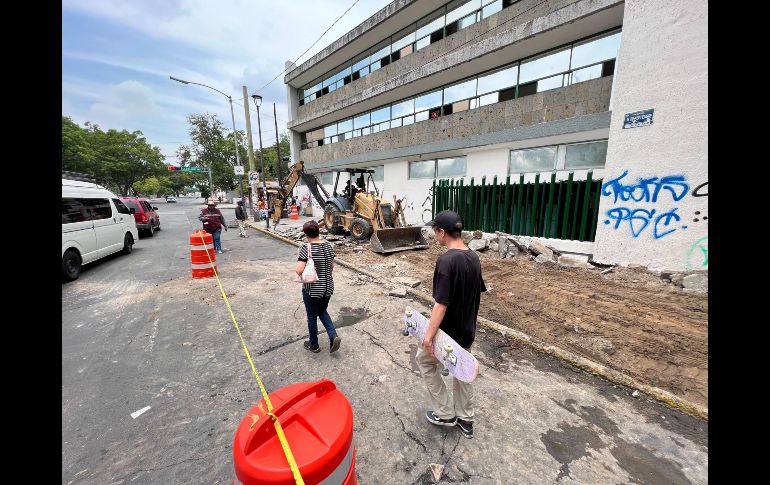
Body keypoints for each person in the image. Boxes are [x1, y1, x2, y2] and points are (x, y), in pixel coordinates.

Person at [418, 210, 486, 439]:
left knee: (424, 362)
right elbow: (476, 292)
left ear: (442, 232)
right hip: (467, 329)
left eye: (434, 230)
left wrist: (428, 336)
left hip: (447, 334)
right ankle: (466, 420)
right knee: (462, 371)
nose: (434, 234)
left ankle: (446, 413)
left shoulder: (446, 260)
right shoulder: (474, 257)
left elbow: (441, 304)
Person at [295, 220, 341, 354]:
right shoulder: (328, 245)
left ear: (306, 234)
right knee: (321, 311)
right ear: (318, 231)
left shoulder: (306, 247)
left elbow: (299, 270)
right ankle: (333, 335)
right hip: (328, 287)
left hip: (313, 289)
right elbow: (332, 266)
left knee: (311, 316)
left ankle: (313, 344)